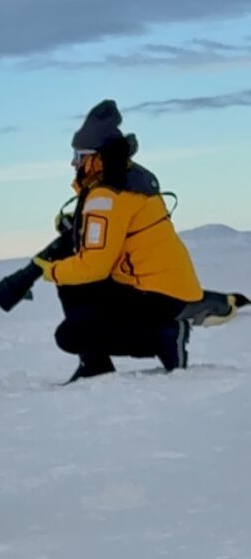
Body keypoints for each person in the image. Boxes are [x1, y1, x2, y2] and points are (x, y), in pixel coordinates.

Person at [32, 99, 203, 381]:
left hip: (156, 295)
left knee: (70, 334)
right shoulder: (129, 177)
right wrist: (75, 227)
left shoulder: (105, 195)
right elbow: (119, 229)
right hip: (166, 285)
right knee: (76, 286)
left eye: (79, 155)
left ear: (97, 158)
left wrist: (48, 270)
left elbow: (95, 266)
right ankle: (96, 364)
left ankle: (165, 335)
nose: (74, 162)